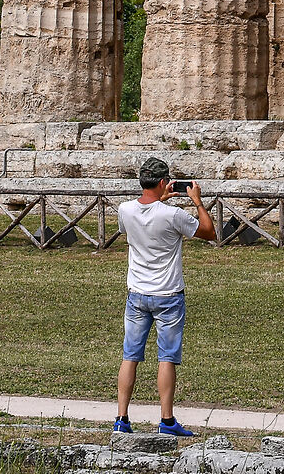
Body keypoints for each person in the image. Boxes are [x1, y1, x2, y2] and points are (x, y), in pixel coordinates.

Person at [115, 156, 215, 436]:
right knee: (167, 358)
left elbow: (143, 220)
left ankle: (122, 418)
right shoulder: (173, 215)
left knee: (130, 356)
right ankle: (166, 420)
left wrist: (161, 199)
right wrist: (196, 201)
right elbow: (208, 232)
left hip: (137, 292)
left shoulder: (125, 209)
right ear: (163, 182)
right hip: (168, 293)